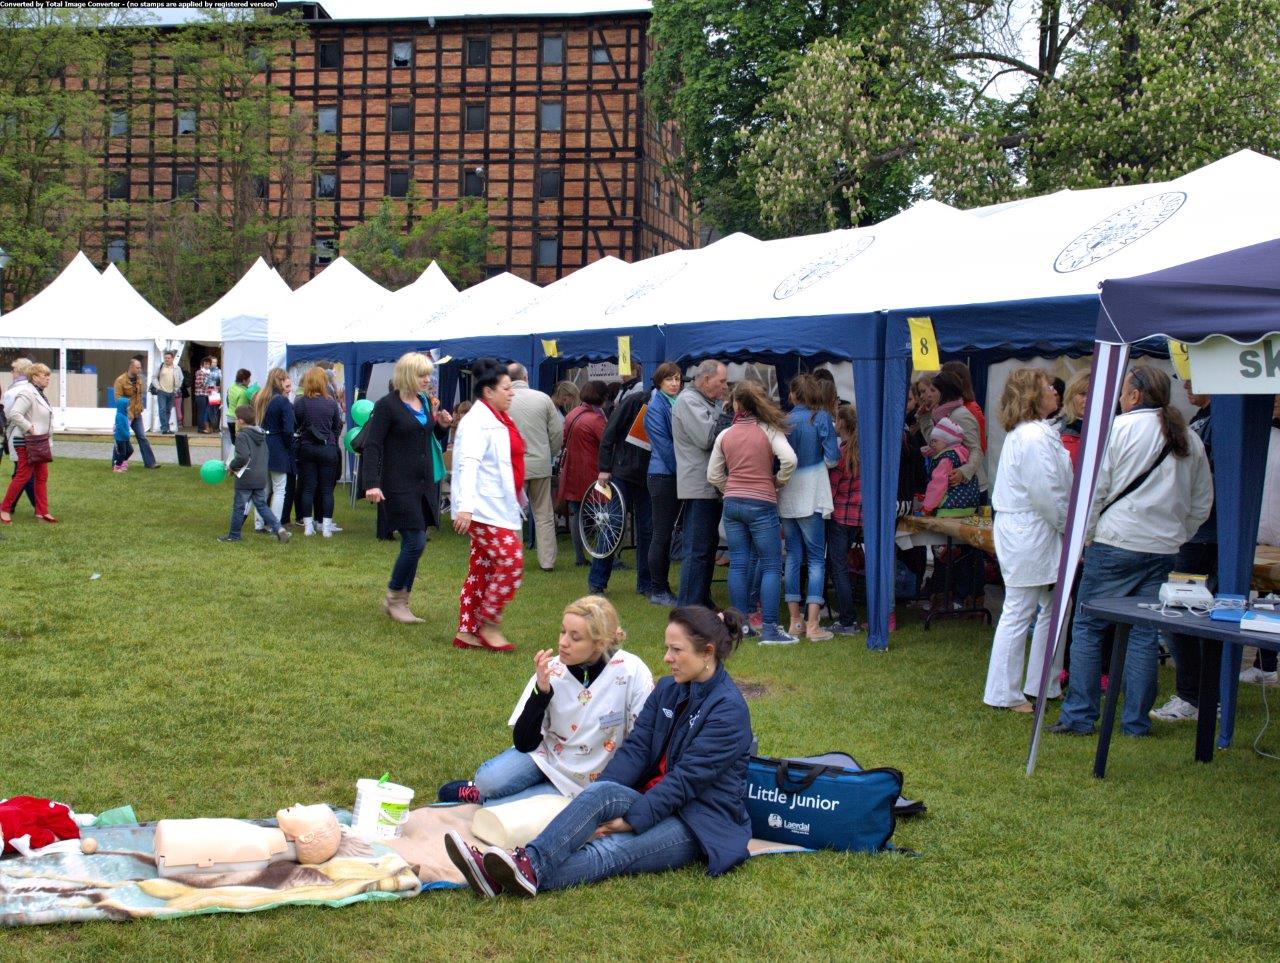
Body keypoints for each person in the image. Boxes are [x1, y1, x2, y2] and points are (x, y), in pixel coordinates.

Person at [445, 605, 753, 899]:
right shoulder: (669, 689)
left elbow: (685, 781)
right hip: (654, 799)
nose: (666, 657)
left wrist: (631, 820)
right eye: (667, 648)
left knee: (610, 850)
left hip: (699, 820)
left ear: (707, 652)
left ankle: (508, 873)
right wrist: (602, 806)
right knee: (602, 792)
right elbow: (636, 749)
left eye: (676, 650)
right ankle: (522, 866)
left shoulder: (728, 710)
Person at [1051, 366, 1213, 738]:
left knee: (1089, 626)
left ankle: (1080, 715)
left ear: (1135, 395)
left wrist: (1087, 537)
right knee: (1144, 632)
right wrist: (1177, 535)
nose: (1120, 397)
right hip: (1162, 548)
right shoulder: (1188, 437)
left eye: (1123, 391)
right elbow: (1202, 502)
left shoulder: (1116, 430)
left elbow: (1093, 493)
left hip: (1116, 542)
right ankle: (1135, 722)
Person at [441, 596, 654, 805]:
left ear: (600, 644)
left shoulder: (631, 672)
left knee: (497, 808)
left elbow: (641, 744)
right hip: (546, 757)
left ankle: (485, 798)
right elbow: (524, 743)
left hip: (588, 780)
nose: (563, 642)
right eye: (562, 631)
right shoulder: (553, 670)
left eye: (575, 637)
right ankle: (484, 791)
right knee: (487, 780)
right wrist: (541, 692)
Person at [982, 369, 1072, 712]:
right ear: (1033, 396)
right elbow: (1047, 493)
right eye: (1048, 387)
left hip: (1035, 529)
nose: (1055, 391)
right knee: (1020, 609)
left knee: (1054, 605)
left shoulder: (1036, 432)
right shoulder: (1032, 437)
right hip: (1030, 530)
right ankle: (1003, 692)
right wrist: (1069, 527)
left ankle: (1043, 682)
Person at [1151, 378, 1224, 721]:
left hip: (1201, 536)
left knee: (1180, 612)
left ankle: (1193, 696)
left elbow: (1207, 482)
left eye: (1194, 378)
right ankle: (1200, 694)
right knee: (1184, 613)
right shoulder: (1200, 419)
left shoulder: (1217, 422)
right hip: (1195, 534)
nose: (1186, 385)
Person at [363, 353, 452, 624]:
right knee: (415, 542)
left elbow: (425, 437)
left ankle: (403, 601)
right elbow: (372, 445)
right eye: (422, 375)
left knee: (416, 542)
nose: (427, 380)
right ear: (407, 375)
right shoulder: (386, 406)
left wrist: (441, 426)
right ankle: (394, 597)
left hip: (424, 483)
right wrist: (371, 483)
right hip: (398, 484)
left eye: (428, 374)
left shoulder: (424, 402)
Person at [707, 381, 797, 643]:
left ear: (736, 404)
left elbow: (712, 474)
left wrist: (729, 487)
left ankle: (741, 627)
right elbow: (790, 459)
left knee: (738, 562)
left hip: (732, 502)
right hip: (761, 502)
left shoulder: (726, 434)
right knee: (770, 564)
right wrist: (779, 481)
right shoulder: (769, 431)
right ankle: (770, 628)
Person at [451, 358, 526, 653]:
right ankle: (489, 623)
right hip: (483, 509)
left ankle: (466, 631)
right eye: (506, 388)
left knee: (481, 567)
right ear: (488, 391)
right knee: (511, 561)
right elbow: (468, 464)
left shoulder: (500, 417)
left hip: (498, 506)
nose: (512, 392)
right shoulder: (477, 422)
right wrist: (466, 507)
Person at [778, 373, 840, 641]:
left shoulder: (784, 420)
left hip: (787, 492)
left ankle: (795, 621)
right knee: (816, 559)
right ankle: (813, 624)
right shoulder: (821, 417)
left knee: (793, 556)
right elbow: (833, 458)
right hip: (812, 492)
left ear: (793, 395)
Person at [591, 364, 653, 596]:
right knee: (613, 526)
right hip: (624, 472)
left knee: (647, 530)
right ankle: (597, 581)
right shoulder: (634, 401)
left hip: (647, 474)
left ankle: (645, 583)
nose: (675, 385)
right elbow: (609, 434)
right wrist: (605, 468)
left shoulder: (669, 405)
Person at [673, 359, 728, 608]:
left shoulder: (704, 401)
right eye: (721, 381)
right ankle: (689, 606)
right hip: (699, 486)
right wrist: (726, 416)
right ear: (706, 380)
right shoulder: (688, 401)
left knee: (707, 547)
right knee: (697, 550)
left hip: (709, 485)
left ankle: (700, 600)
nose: (725, 387)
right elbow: (706, 438)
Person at [506, 363, 563, 572]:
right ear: (526, 377)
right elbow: (557, 432)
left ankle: (513, 561)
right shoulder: (543, 398)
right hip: (540, 463)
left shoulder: (502, 400)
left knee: (512, 514)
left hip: (512, 465)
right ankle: (547, 561)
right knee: (544, 514)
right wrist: (550, 454)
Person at [218, 404, 291, 544]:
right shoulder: (261, 434)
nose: (235, 421)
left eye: (236, 418)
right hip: (260, 476)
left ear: (241, 421)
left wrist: (231, 467)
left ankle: (234, 535)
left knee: (239, 506)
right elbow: (266, 454)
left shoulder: (242, 436)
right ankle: (279, 528)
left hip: (246, 477)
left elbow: (242, 457)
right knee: (262, 505)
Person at [643, 362, 684, 607]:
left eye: (677, 379)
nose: (674, 383)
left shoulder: (674, 402)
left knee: (666, 533)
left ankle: (662, 587)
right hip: (663, 476)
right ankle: (658, 589)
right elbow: (665, 447)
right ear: (659, 382)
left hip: (672, 474)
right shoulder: (656, 407)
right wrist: (684, 473)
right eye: (669, 379)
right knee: (661, 534)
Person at [558, 381, 608, 567]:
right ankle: (605, 555)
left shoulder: (572, 414)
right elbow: (606, 443)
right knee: (603, 514)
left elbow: (564, 439)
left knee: (576, 514)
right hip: (592, 472)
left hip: (572, 471)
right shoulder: (596, 419)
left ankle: (579, 557)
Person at [293, 366, 346, 538]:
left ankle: (308, 526)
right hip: (327, 448)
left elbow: (295, 425)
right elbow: (336, 426)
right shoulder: (331, 402)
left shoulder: (300, 402)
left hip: (307, 448)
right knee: (327, 490)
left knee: (308, 488)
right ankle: (326, 527)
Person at [1, 363, 56, 524]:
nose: (48, 378)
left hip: (39, 441)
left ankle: (42, 511)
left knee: (41, 476)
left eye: (48, 375)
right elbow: (15, 413)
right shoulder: (27, 392)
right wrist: (29, 428)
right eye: (45, 375)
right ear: (35, 377)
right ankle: (4, 509)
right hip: (27, 441)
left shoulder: (39, 393)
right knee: (23, 475)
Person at [826, 405, 863, 635]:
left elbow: (832, 488)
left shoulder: (842, 454)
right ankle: (848, 616)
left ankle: (847, 619)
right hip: (856, 517)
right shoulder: (863, 452)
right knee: (842, 566)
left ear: (841, 423)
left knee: (837, 567)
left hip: (839, 515)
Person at [251, 368, 294, 534]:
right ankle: (275, 526)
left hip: (261, 444)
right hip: (277, 445)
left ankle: (259, 524)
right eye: (286, 383)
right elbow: (288, 430)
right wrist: (288, 446)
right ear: (280, 381)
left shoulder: (260, 397)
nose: (289, 388)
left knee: (264, 488)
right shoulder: (282, 401)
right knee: (280, 488)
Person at [921, 417, 979, 516]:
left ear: (947, 441)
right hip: (969, 506)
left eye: (935, 441)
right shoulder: (961, 453)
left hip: (948, 507)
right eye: (932, 441)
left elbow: (938, 485)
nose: (932, 444)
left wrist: (927, 507)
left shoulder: (945, 459)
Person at [2, 358, 38, 510]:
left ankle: (38, 506)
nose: (12, 373)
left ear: (19, 372)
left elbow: (7, 413)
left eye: (13, 370)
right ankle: (10, 505)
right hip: (32, 433)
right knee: (22, 471)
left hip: (18, 433)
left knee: (23, 473)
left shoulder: (13, 392)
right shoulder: (33, 389)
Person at [112, 357, 157, 469]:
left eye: (140, 368)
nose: (140, 370)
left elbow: (139, 396)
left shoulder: (139, 379)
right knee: (121, 439)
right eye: (137, 368)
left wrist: (140, 407)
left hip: (137, 414)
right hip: (125, 415)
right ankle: (116, 463)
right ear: (131, 367)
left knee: (142, 437)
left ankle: (150, 463)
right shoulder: (120, 380)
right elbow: (118, 399)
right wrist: (127, 411)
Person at [1056, 370, 1090, 470]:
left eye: (1092, 394)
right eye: (1083, 394)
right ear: (1071, 396)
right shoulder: (1055, 430)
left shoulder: (1110, 428)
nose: (1087, 400)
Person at [149, 350, 183, 434]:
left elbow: (181, 378)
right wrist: (158, 387)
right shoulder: (161, 366)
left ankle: (166, 427)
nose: (167, 359)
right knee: (162, 409)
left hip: (172, 392)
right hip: (162, 392)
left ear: (172, 359)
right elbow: (154, 377)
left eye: (168, 358)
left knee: (168, 410)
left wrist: (176, 388)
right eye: (165, 358)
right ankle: (164, 428)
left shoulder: (177, 368)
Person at [225, 368, 252, 443]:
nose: (250, 381)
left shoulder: (231, 387)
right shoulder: (243, 393)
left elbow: (228, 402)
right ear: (243, 380)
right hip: (238, 422)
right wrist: (238, 430)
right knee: (240, 445)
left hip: (230, 419)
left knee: (234, 444)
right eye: (249, 379)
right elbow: (240, 412)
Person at [111, 396, 133, 472]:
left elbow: (126, 425)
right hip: (120, 438)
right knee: (122, 453)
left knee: (130, 451)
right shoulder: (119, 416)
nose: (129, 408)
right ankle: (117, 467)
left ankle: (122, 463)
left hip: (125, 438)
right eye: (127, 406)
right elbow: (120, 428)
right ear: (123, 406)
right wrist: (127, 434)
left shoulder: (125, 415)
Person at [192, 357, 214, 434]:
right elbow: (200, 384)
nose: (207, 365)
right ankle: (201, 428)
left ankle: (206, 428)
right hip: (200, 395)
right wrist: (211, 385)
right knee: (201, 412)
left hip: (207, 395)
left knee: (206, 412)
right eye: (205, 364)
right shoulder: (200, 372)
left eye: (208, 364)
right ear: (202, 364)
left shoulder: (209, 372)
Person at [205, 356, 222, 432]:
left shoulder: (219, 371)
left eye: (215, 362)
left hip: (214, 393)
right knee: (208, 410)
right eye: (213, 362)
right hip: (206, 393)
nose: (214, 364)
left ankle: (215, 427)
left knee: (213, 410)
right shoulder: (206, 370)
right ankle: (211, 427)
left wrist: (218, 387)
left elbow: (222, 381)